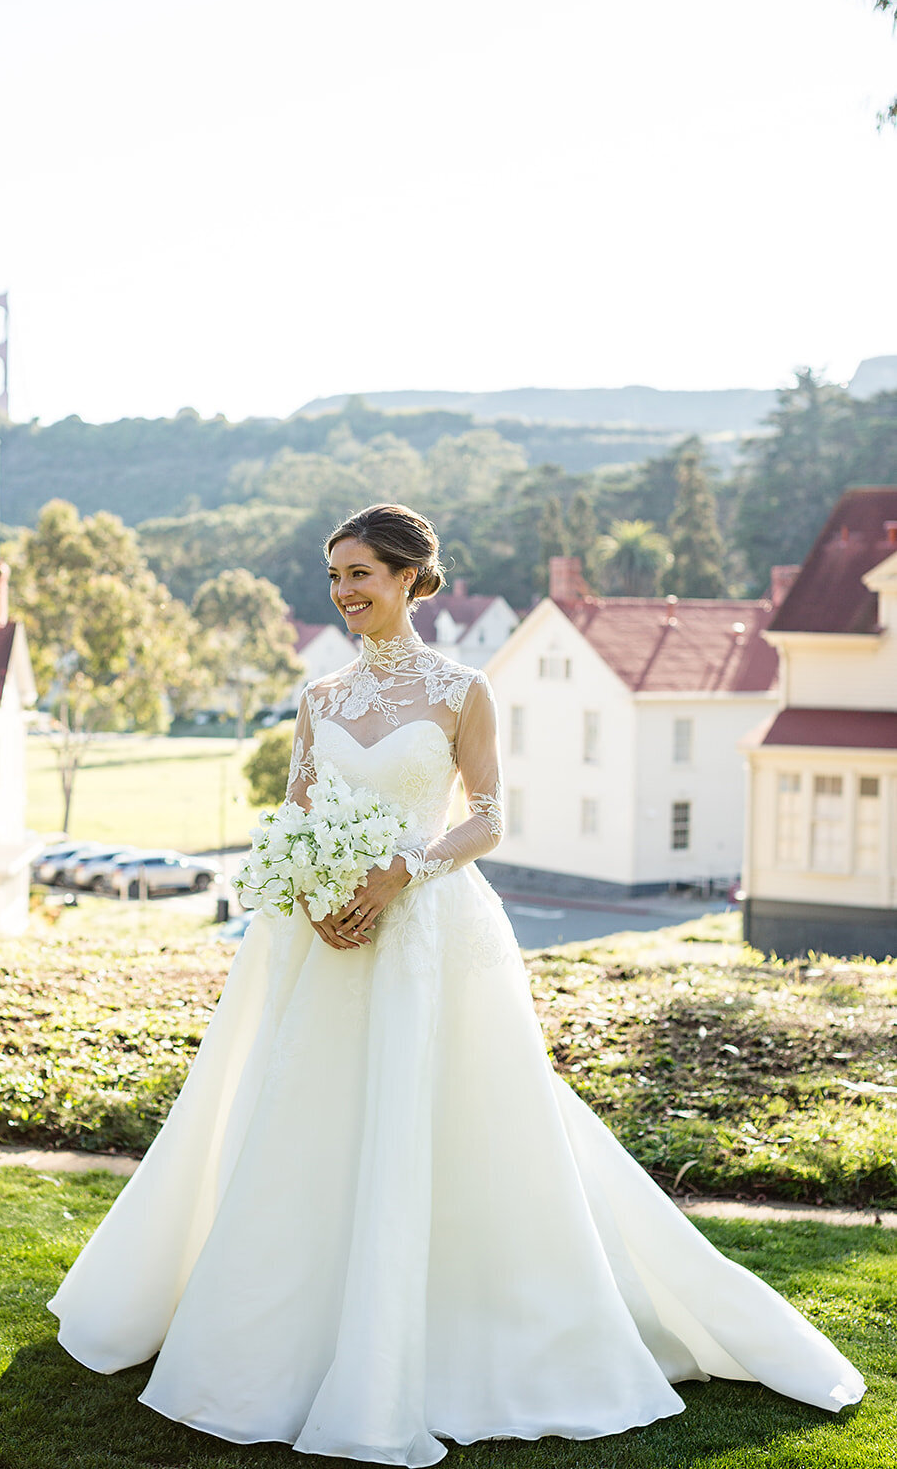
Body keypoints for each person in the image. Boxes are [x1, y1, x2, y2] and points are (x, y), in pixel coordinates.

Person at [48, 503, 864, 1466]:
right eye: (335, 576)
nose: (346, 592)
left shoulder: (460, 688)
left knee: (455, 1118)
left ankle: (462, 1331)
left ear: (408, 579)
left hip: (429, 927)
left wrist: (405, 872)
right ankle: (283, 1333)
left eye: (360, 574)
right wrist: (314, 899)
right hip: (326, 939)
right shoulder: (320, 698)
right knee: (311, 1119)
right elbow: (295, 811)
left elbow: (489, 818)